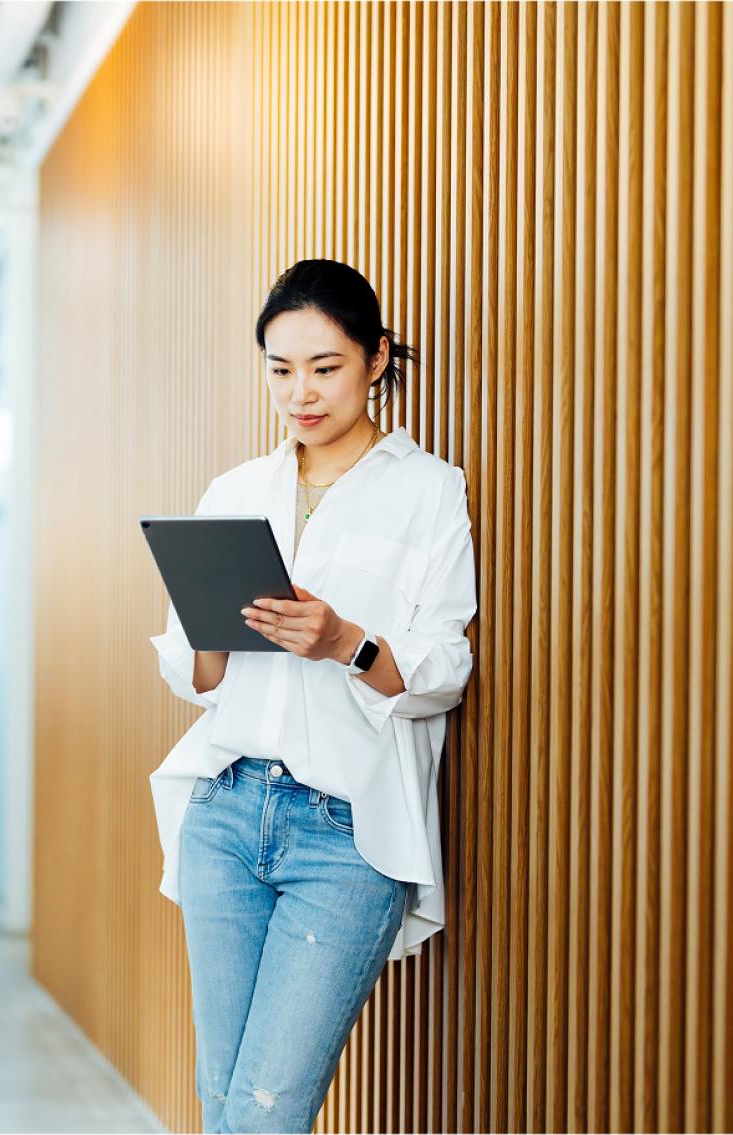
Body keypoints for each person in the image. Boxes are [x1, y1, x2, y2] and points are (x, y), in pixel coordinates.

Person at [148, 258, 477, 1133]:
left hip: (344, 831)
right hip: (224, 812)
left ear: (377, 358)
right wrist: (213, 626)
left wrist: (345, 643)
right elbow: (193, 672)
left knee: (267, 1108)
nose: (301, 393)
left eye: (325, 367)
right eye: (281, 369)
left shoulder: (428, 491)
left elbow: (444, 666)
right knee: (225, 1098)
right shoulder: (234, 491)